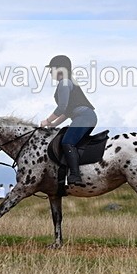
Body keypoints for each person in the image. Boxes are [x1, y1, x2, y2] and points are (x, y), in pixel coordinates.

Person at [40, 55, 98, 187]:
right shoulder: (68, 82)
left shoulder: (64, 83)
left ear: (60, 69)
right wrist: (53, 124)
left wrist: (46, 121)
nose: (50, 72)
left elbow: (62, 108)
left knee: (67, 142)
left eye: (52, 69)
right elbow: (67, 112)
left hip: (84, 117)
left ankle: (75, 176)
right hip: (83, 116)